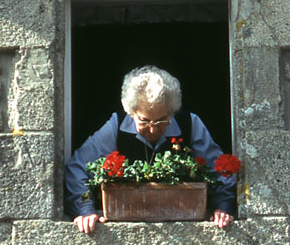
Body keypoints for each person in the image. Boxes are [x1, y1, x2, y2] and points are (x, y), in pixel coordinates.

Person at [64, 65, 236, 233]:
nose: (153, 130)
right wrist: (85, 209)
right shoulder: (117, 125)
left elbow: (220, 169)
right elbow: (78, 167)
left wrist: (222, 206)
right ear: (131, 112)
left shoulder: (191, 124)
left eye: (161, 121)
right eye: (144, 121)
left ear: (172, 111)